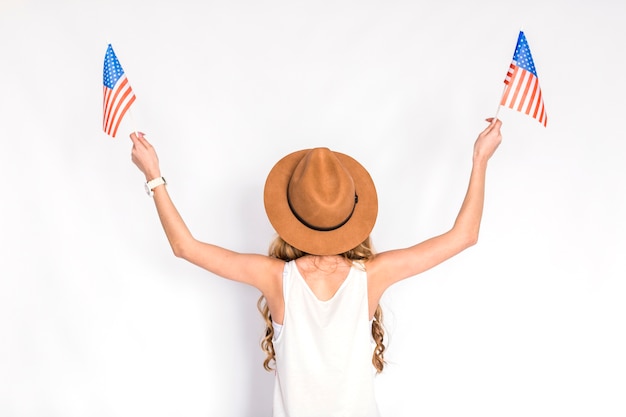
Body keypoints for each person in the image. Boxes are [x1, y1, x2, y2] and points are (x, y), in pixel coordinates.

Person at [129, 118, 502, 417]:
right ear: (352, 213)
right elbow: (464, 236)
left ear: (292, 214)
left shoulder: (275, 278)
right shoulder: (374, 275)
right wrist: (480, 159)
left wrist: (153, 174)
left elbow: (185, 247)